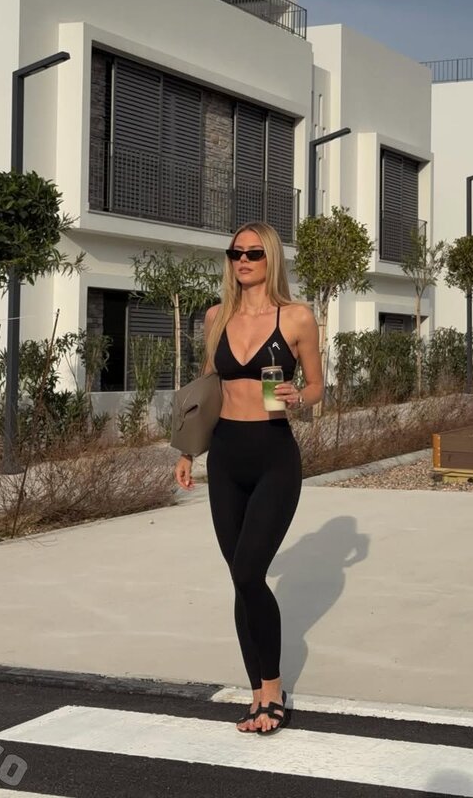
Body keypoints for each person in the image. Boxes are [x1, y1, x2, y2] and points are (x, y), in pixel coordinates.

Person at [175, 221, 323, 734]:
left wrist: (299, 396)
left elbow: (318, 385)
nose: (242, 260)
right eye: (235, 252)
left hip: (274, 456)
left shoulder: (297, 317)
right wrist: (187, 450)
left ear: (270, 258)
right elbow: (207, 389)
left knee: (247, 573)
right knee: (241, 579)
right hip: (225, 458)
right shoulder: (216, 317)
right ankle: (257, 694)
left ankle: (273, 690)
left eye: (253, 253)